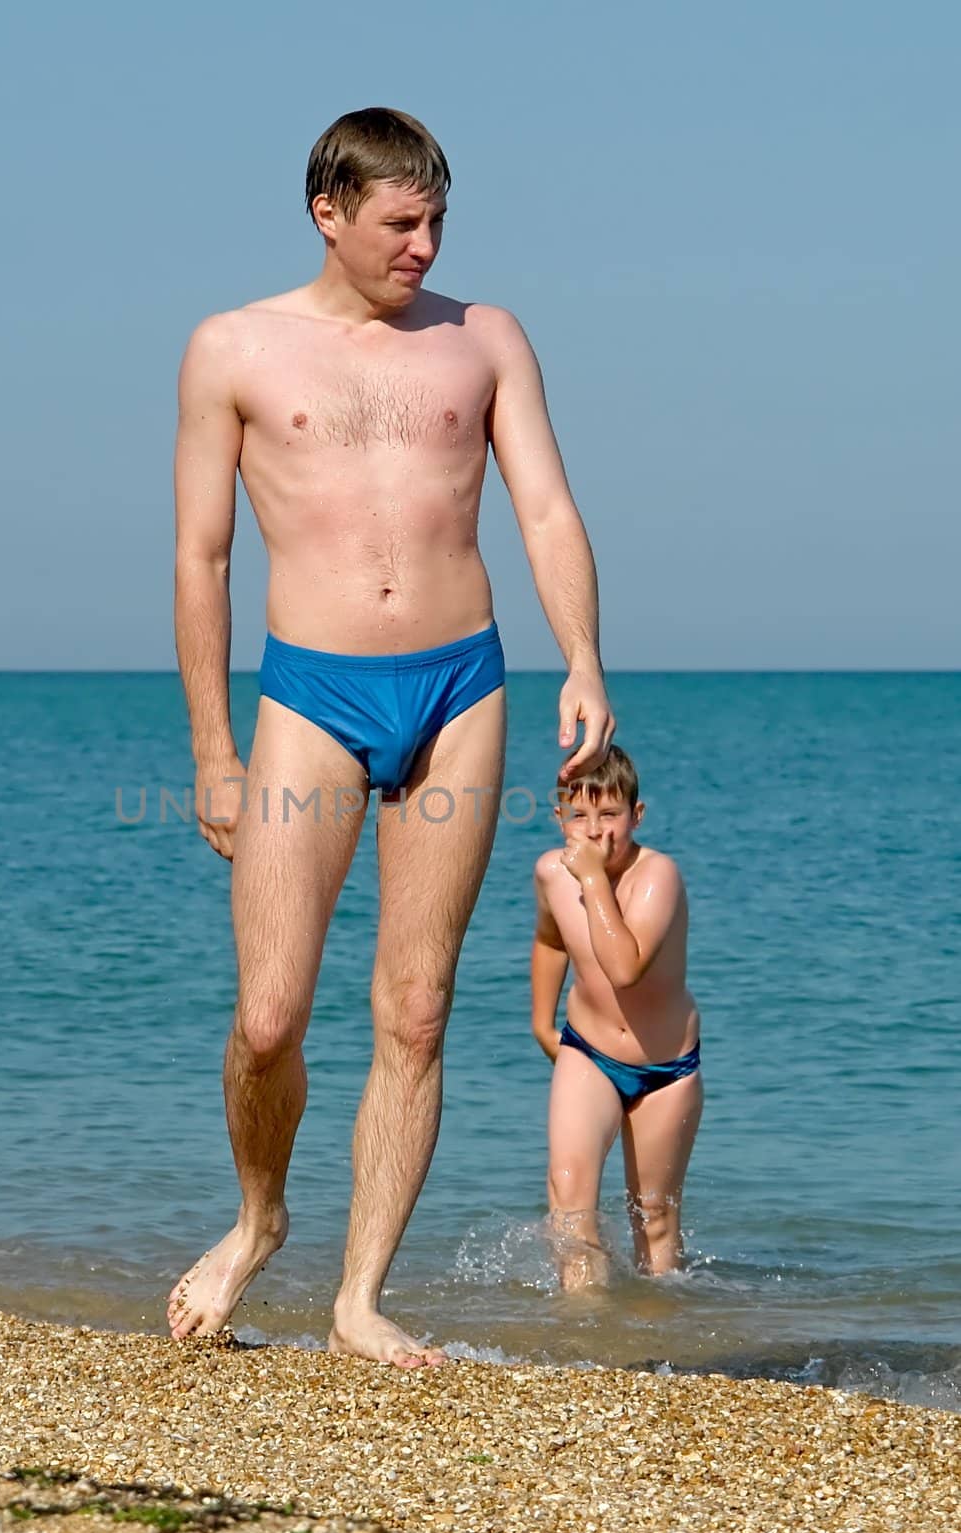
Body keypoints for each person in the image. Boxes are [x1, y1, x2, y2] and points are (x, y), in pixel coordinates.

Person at [170, 106, 614, 1366]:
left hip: (460, 687)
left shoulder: (485, 340)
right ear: (330, 211)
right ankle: (259, 1219)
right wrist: (212, 749)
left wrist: (582, 658)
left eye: (437, 222)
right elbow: (202, 558)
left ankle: (359, 1296)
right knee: (269, 1016)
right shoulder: (233, 347)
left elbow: (544, 508)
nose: (424, 245)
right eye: (399, 222)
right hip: (307, 696)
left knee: (416, 1009)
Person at [531, 746, 703, 1291]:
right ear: (560, 818)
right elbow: (551, 938)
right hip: (589, 1051)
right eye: (579, 816)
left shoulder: (659, 877)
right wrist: (541, 1019)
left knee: (653, 1218)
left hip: (665, 1069)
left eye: (610, 816)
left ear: (637, 815)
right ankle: (585, 1334)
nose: (595, 832)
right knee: (568, 1196)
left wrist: (593, 881)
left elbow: (624, 967)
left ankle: (659, 1337)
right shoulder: (549, 874)